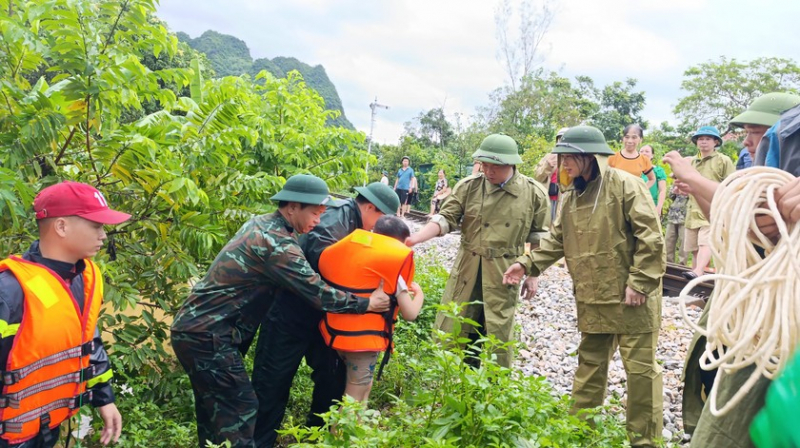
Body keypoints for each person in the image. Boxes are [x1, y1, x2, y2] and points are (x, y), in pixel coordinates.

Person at [170, 175, 390, 448]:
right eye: (314, 213)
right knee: (243, 408)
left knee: (214, 414)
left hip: (197, 330)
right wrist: (366, 304)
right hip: (209, 336)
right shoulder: (278, 245)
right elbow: (317, 292)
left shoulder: (261, 223)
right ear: (293, 207)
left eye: (322, 214)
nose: (318, 222)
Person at [503, 126, 665, 448]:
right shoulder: (571, 196)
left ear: (589, 157)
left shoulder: (626, 186)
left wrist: (640, 283)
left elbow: (651, 237)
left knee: (641, 372)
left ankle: (645, 442)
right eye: (561, 157)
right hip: (594, 296)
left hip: (633, 296)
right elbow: (556, 239)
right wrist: (526, 264)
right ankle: (579, 434)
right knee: (590, 366)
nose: (562, 164)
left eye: (568, 157)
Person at [663, 92, 800, 446]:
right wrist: (696, 188)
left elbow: (755, 217)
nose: (751, 141)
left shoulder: (783, 188)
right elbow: (734, 226)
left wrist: (692, 178)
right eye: (749, 133)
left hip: (769, 333)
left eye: (759, 132)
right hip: (741, 321)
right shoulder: (753, 176)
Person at [252, 182, 400, 447]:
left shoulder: (354, 224)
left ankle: (315, 440)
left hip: (325, 317)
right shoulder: (335, 218)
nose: (377, 229)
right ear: (370, 207)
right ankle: (259, 442)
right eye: (381, 219)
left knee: (331, 383)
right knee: (271, 384)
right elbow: (322, 265)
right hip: (292, 313)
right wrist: (363, 301)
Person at [405, 134, 549, 368]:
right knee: (455, 324)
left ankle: (492, 391)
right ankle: (450, 382)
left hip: (505, 269)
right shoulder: (469, 187)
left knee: (497, 332)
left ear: (511, 164)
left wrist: (533, 274)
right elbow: (445, 218)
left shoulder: (533, 193)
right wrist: (416, 238)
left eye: (495, 166)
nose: (488, 171)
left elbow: (540, 237)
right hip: (468, 266)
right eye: (485, 165)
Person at [0, 181, 126, 447]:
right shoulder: (10, 290)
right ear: (61, 226)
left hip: (50, 429)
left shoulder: (85, 278)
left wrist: (104, 398)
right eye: (96, 226)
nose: (103, 235)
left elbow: (88, 342)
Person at [317, 216, 424, 403]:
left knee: (357, 390)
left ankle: (351, 429)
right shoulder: (391, 267)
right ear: (402, 243)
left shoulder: (350, 252)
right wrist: (419, 294)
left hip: (334, 331)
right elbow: (410, 314)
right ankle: (342, 432)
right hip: (363, 343)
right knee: (355, 397)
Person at [682, 126, 735, 280]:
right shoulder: (691, 161)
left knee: (707, 241)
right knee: (694, 247)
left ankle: (698, 271)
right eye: (700, 139)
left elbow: (732, 183)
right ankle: (696, 279)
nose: (703, 142)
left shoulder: (723, 160)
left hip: (713, 209)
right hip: (692, 210)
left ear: (715, 142)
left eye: (707, 139)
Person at [535, 127, 569, 222]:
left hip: (564, 199)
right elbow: (537, 177)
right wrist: (547, 166)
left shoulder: (574, 159)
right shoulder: (549, 157)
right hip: (548, 199)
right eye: (560, 138)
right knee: (546, 224)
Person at [608, 124, 657, 189]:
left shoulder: (644, 160)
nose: (630, 141)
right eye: (627, 137)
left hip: (633, 197)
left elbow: (652, 179)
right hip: (614, 196)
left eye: (634, 137)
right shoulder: (613, 157)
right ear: (623, 138)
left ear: (640, 140)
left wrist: (641, 190)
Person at [638, 145, 667, 218]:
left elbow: (662, 190)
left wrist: (659, 207)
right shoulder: (634, 170)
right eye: (641, 151)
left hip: (652, 205)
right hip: (636, 205)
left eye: (647, 151)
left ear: (652, 155)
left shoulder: (658, 170)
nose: (644, 153)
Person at [664, 186, 689, 265]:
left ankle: (682, 265)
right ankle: (668, 264)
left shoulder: (693, 181)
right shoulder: (678, 180)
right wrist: (674, 190)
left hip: (685, 217)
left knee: (683, 243)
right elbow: (671, 196)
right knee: (668, 240)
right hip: (673, 216)